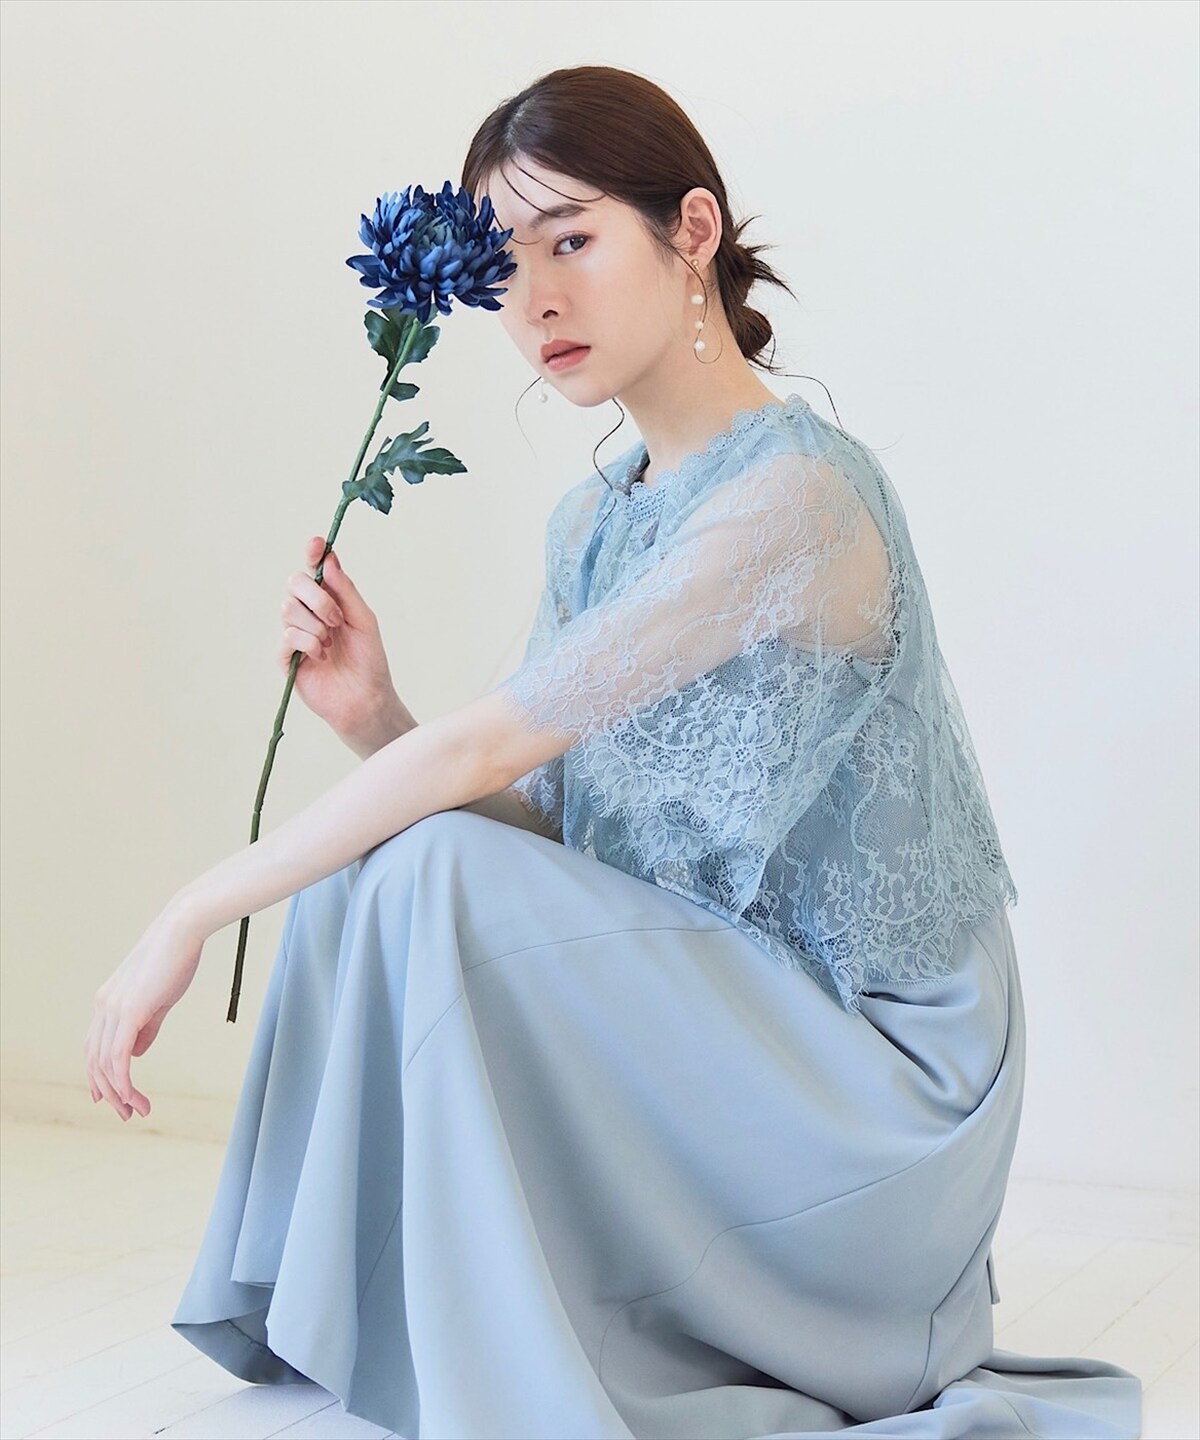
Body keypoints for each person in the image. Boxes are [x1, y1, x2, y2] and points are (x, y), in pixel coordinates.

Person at [85, 65, 1142, 1440]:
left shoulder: (796, 496)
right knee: (385, 856)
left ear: (691, 230)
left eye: (572, 240)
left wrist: (192, 907)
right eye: (505, 264)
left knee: (418, 861)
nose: (533, 300)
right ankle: (333, 1303)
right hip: (732, 1022)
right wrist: (373, 718)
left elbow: (492, 758)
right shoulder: (594, 526)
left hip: (881, 1094)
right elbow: (559, 850)